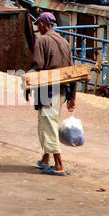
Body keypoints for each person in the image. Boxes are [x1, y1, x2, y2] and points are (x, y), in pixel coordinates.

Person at [29, 12, 76, 176]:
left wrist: (28, 85)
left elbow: (37, 65)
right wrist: (72, 97)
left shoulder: (42, 40)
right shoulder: (64, 42)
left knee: (48, 125)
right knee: (45, 122)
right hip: (63, 90)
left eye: (38, 25)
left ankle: (59, 164)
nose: (37, 28)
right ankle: (45, 159)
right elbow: (72, 71)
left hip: (49, 90)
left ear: (42, 24)